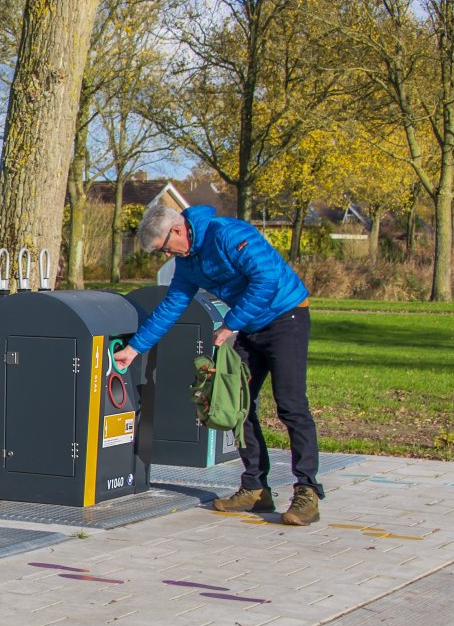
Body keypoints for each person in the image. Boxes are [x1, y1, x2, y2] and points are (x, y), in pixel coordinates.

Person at [113, 204, 323, 526]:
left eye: (166, 249)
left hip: (286, 317)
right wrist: (135, 348)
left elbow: (265, 280)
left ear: (179, 231)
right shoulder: (188, 261)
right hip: (249, 324)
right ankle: (255, 487)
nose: (168, 256)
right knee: (236, 404)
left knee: (291, 405)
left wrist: (231, 323)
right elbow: (172, 305)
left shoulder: (228, 234)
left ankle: (307, 490)